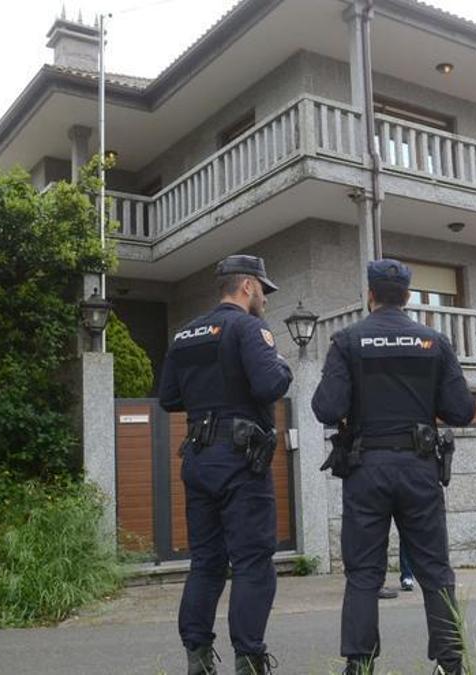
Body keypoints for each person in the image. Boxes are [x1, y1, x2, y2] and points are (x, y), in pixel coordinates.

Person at [312, 259, 476, 675]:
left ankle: (359, 664)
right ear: (407, 296)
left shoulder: (348, 340)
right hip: (419, 468)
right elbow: (461, 410)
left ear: (370, 295)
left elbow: (326, 408)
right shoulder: (433, 342)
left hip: (367, 468)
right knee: (435, 569)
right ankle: (451, 664)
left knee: (364, 573)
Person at [159, 254, 292, 675]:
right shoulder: (249, 327)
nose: (266, 301)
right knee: (253, 561)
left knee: (207, 562)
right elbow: (271, 384)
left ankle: (197, 659)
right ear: (248, 286)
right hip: (240, 461)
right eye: (264, 292)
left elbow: (169, 398)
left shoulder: (184, 334)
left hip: (198, 457)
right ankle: (249, 660)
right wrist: (283, 366)